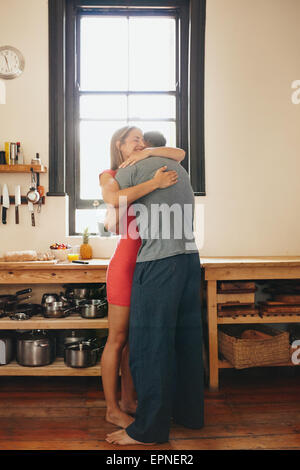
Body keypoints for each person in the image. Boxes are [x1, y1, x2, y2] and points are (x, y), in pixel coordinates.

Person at [105, 153, 205, 445]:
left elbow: (111, 215)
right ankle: (188, 415)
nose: (137, 146)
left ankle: (149, 431)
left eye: (139, 141)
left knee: (150, 347)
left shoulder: (130, 169)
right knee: (185, 342)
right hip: (189, 260)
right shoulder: (179, 167)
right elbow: (182, 152)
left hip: (159, 263)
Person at [99, 126, 186, 429]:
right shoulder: (110, 173)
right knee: (118, 339)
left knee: (135, 341)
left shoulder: (144, 164)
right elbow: (112, 201)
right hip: (126, 264)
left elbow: (180, 154)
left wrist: (149, 154)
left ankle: (129, 401)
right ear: (119, 144)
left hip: (150, 263)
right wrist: (154, 183)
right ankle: (112, 409)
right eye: (134, 139)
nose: (141, 142)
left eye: (142, 139)